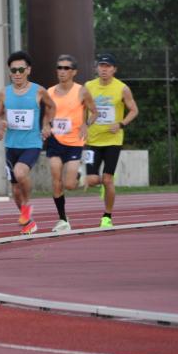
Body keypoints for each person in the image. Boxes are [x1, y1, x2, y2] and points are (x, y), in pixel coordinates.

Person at [0, 51, 55, 235]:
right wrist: (1, 124)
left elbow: (52, 106)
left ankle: (27, 205)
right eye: (14, 70)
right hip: (11, 145)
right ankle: (28, 222)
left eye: (21, 69)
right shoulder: (4, 92)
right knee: (15, 190)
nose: (17, 73)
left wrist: (47, 124)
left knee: (20, 172)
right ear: (10, 72)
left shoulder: (39, 90)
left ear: (28, 70)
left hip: (32, 143)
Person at [84, 53, 139, 228]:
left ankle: (107, 216)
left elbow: (134, 110)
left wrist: (121, 124)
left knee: (108, 180)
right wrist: (83, 125)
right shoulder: (88, 86)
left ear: (114, 69)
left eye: (108, 66)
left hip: (113, 141)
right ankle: (104, 184)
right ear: (96, 68)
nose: (104, 69)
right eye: (101, 66)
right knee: (91, 180)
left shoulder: (122, 88)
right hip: (92, 141)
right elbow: (81, 107)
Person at [46, 54, 96, 232]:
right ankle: (62, 219)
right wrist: (45, 126)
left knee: (69, 185)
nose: (62, 71)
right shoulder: (50, 92)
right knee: (55, 178)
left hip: (75, 142)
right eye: (59, 68)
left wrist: (86, 124)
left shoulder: (82, 91)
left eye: (66, 68)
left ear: (74, 72)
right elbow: (47, 114)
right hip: (55, 140)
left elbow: (94, 112)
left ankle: (79, 176)